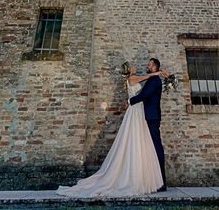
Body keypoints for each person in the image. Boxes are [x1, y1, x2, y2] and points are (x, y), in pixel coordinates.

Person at [56, 61, 166, 197]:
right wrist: (158, 73)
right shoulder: (133, 78)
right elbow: (146, 81)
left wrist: (158, 73)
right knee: (136, 140)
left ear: (154, 66)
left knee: (143, 142)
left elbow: (146, 89)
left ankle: (148, 177)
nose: (138, 66)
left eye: (150, 65)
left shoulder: (146, 78)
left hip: (140, 112)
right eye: (132, 65)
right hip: (136, 111)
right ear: (129, 70)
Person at [129, 57, 167, 191]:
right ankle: (154, 179)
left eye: (150, 65)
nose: (148, 66)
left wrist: (129, 101)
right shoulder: (153, 78)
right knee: (151, 147)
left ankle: (161, 181)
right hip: (150, 116)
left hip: (152, 116)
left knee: (156, 146)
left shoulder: (155, 80)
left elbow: (144, 95)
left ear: (155, 67)